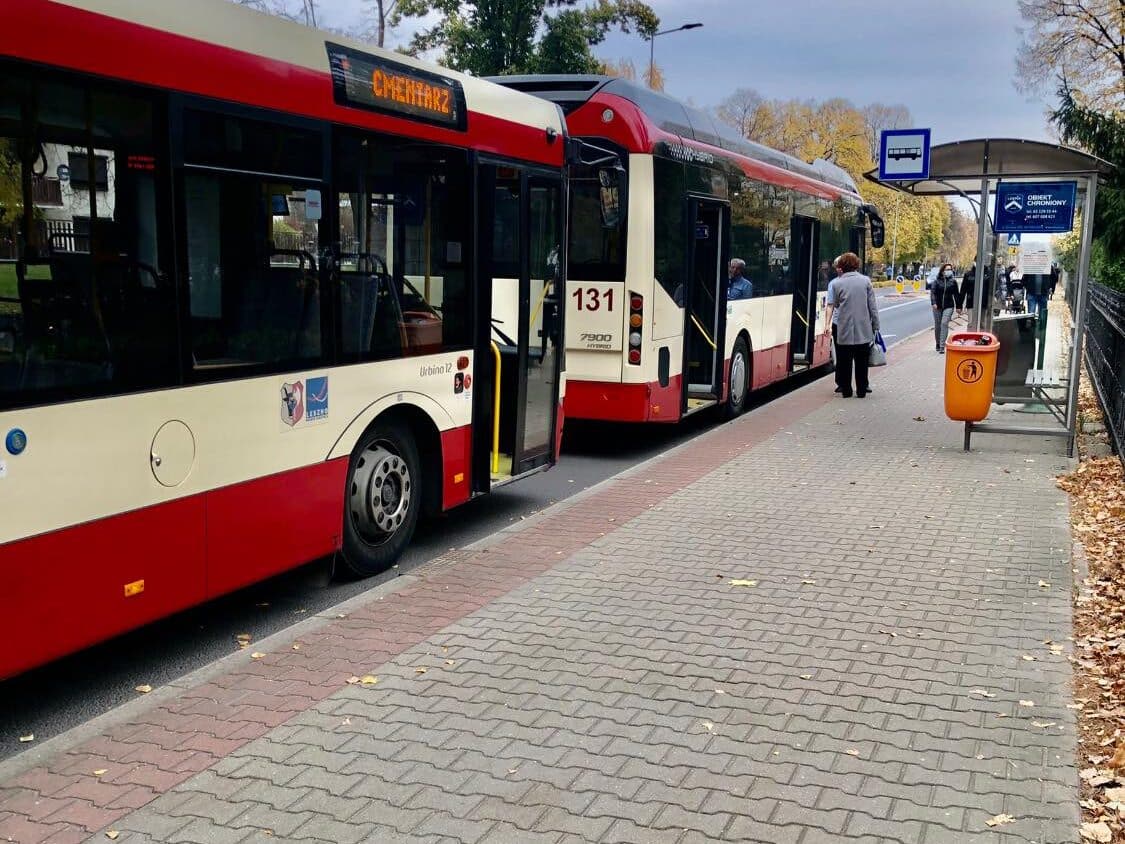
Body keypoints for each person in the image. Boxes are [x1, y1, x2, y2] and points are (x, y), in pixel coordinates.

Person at [831, 251, 879, 398]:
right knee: (861, 361)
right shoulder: (865, 281)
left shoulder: (837, 283)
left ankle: (846, 390)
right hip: (863, 329)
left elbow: (836, 304)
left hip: (844, 328)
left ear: (842, 266)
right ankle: (861, 390)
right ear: (856, 265)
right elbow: (872, 306)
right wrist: (875, 325)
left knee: (844, 361)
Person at [930, 262, 960, 353]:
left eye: (950, 269)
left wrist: (959, 306)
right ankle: (938, 343)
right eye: (947, 269)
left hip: (949, 306)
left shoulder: (953, 282)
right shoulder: (936, 281)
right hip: (937, 306)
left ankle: (942, 346)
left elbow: (956, 295)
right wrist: (933, 303)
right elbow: (933, 293)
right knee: (938, 325)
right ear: (942, 271)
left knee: (944, 323)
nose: (949, 271)